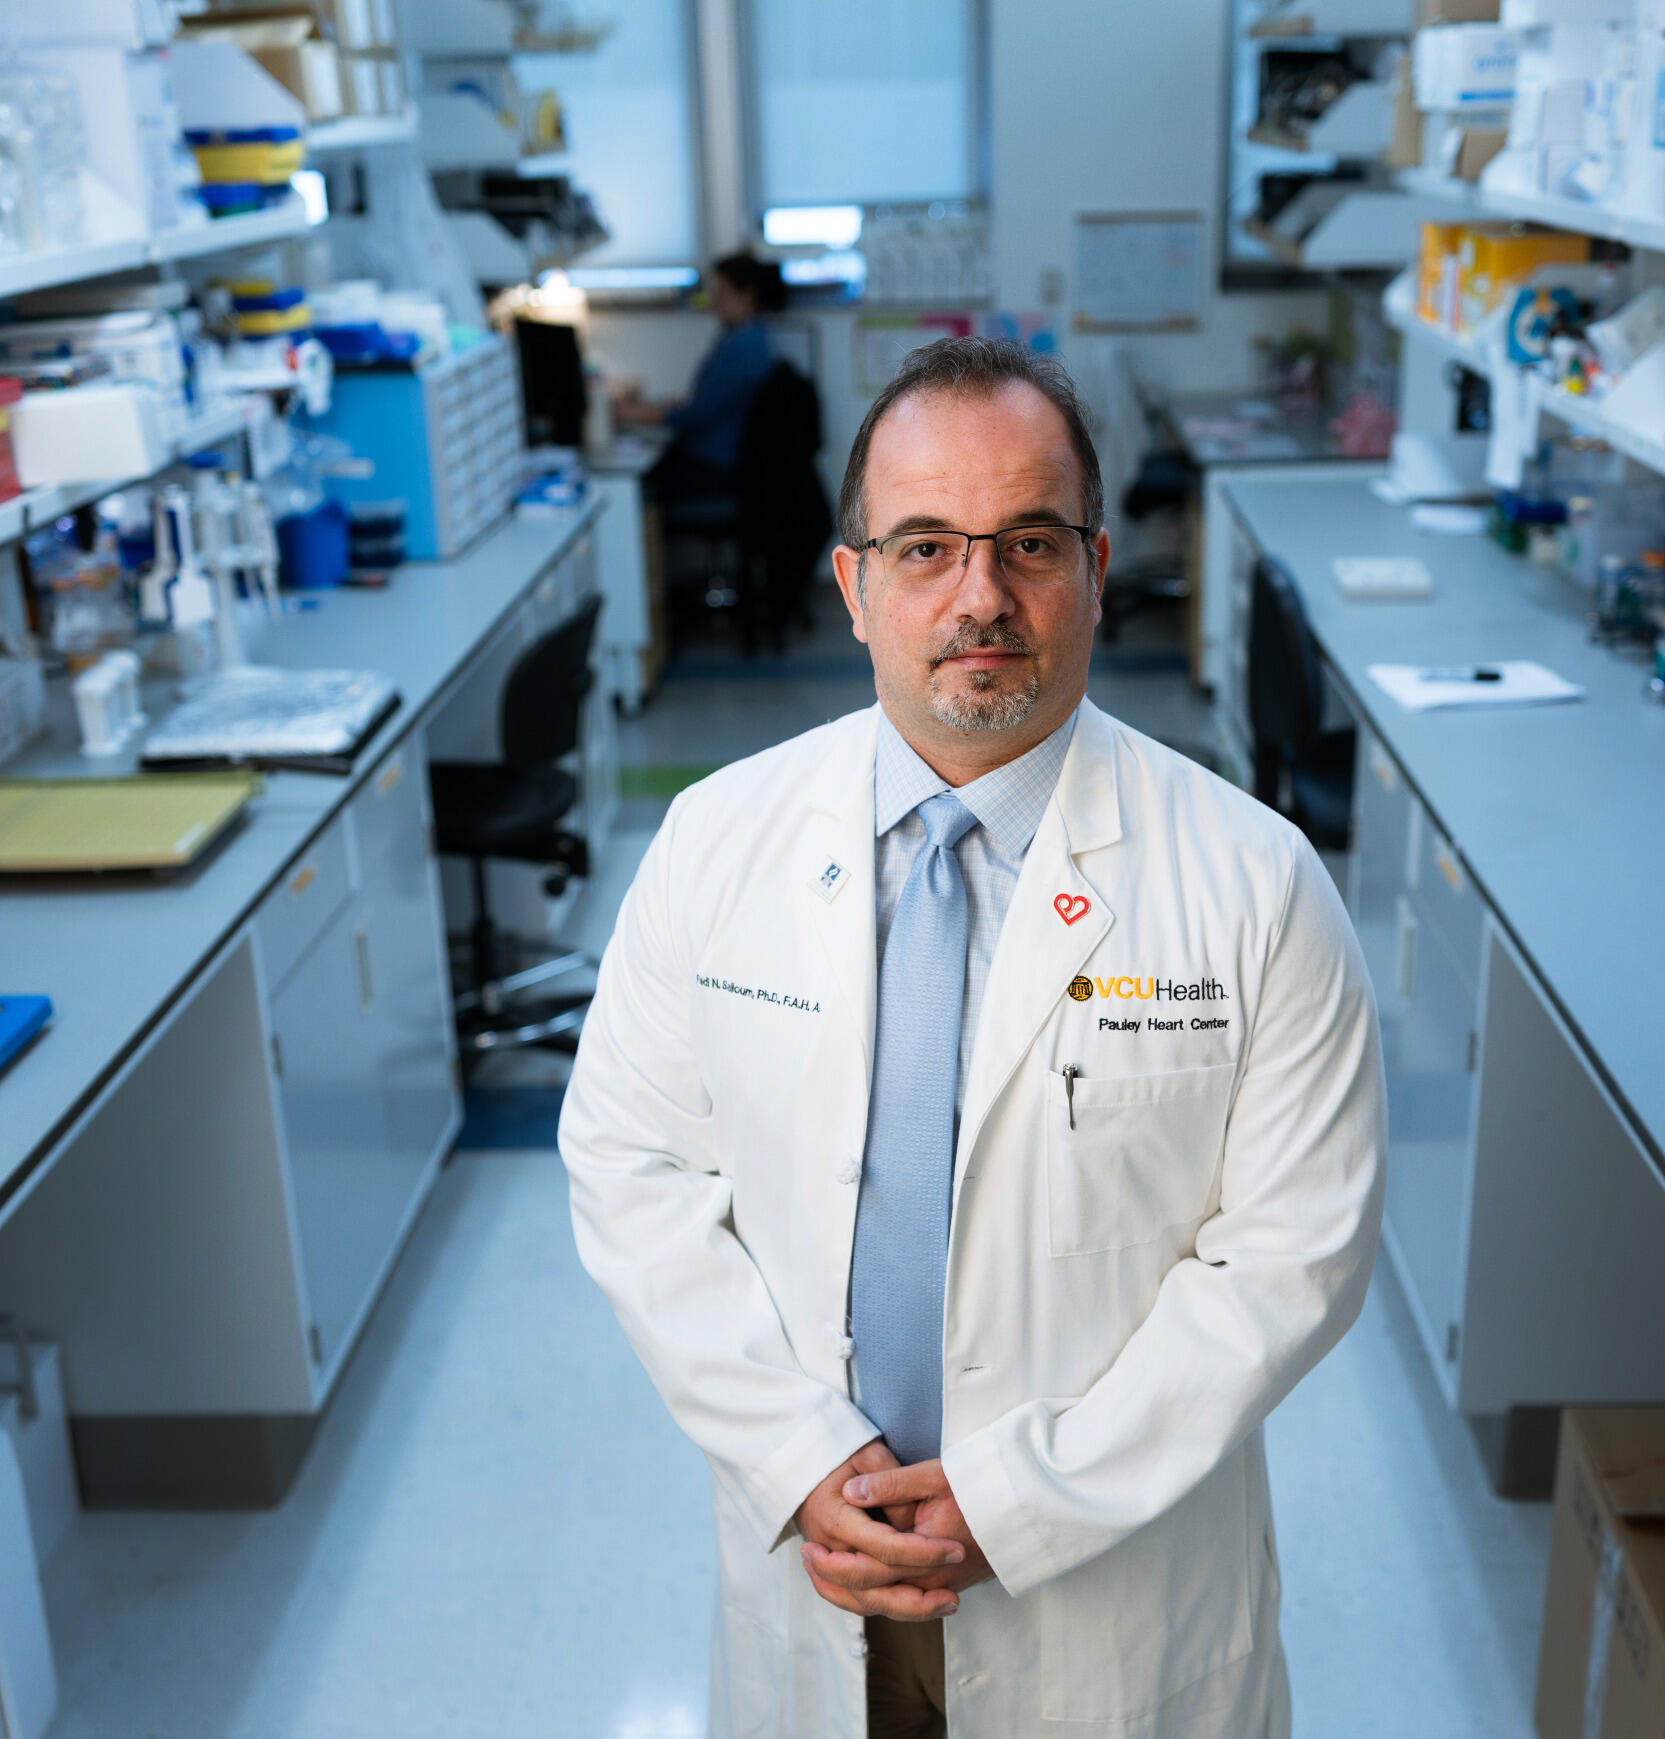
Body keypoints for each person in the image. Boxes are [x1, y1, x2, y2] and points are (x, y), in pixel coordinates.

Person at [560, 337, 1384, 1738]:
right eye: (927, 545)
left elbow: (1294, 1254)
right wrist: (798, 1454)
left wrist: (1019, 1502)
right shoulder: (717, 842)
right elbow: (632, 1170)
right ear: (854, 581)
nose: (981, 596)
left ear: (1098, 564)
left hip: (1113, 1591)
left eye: (1030, 544)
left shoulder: (1254, 877)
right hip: (819, 1549)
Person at [621, 252, 787, 501]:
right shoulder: (746, 337)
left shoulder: (743, 346)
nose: (713, 302)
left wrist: (636, 413)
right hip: (717, 457)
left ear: (747, 295)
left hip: (714, 464)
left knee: (639, 479)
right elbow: (708, 401)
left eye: (721, 293)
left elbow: (698, 413)